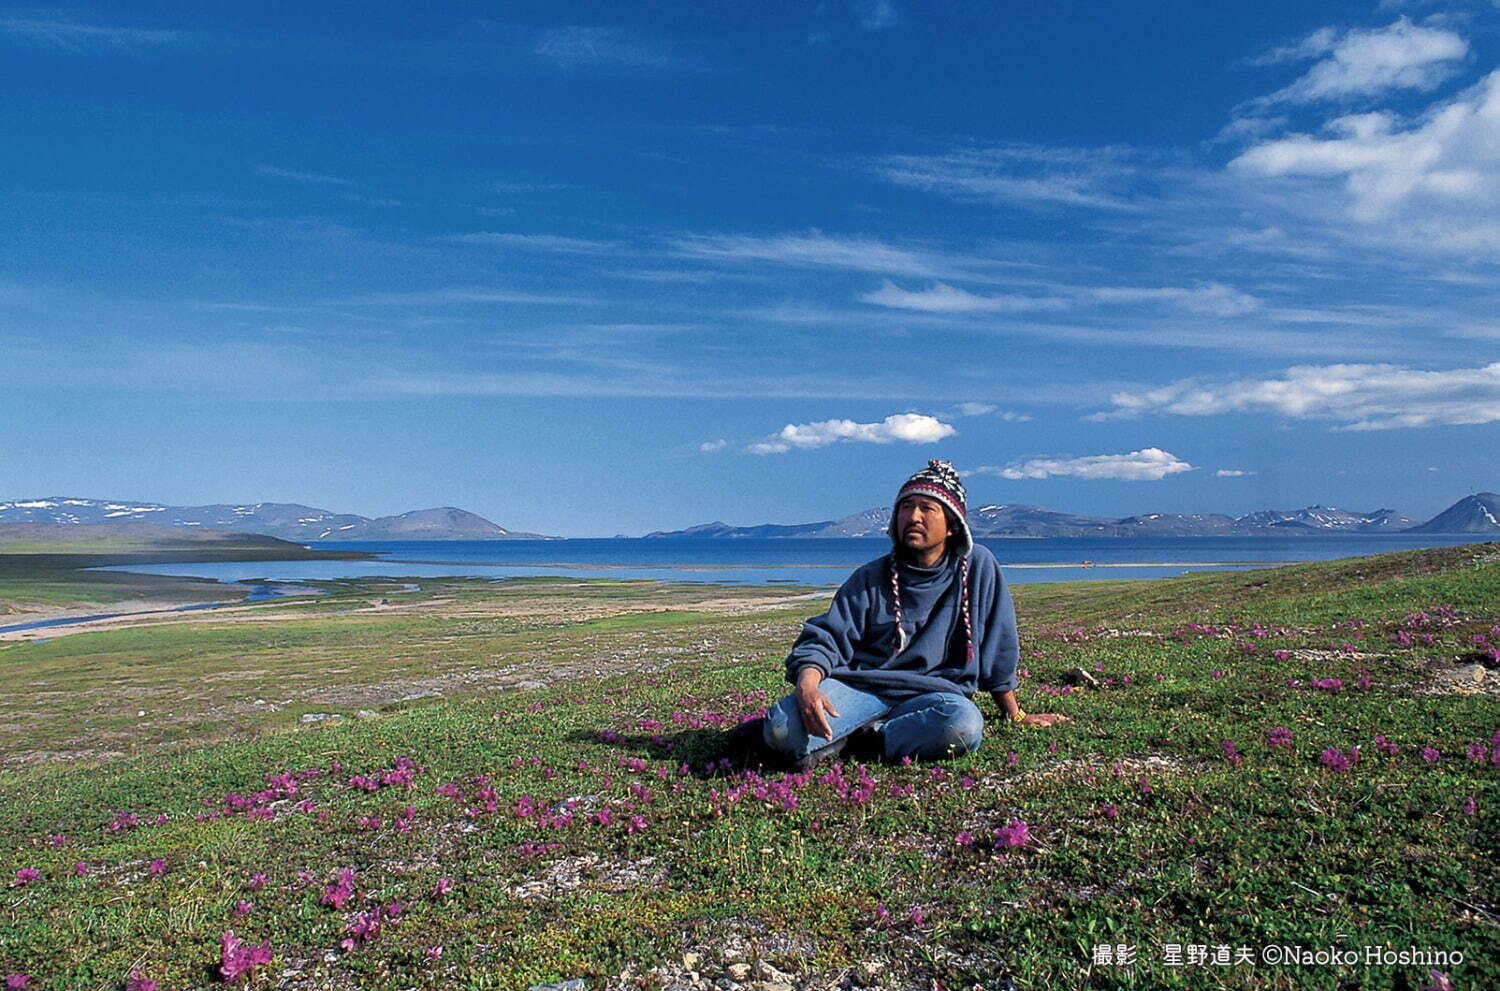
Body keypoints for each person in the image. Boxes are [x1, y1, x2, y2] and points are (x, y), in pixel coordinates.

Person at [746, 459, 1069, 770]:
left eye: (927, 508)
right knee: (780, 730)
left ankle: (862, 739)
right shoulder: (870, 577)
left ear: (953, 526)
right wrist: (807, 687)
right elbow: (827, 638)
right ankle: (860, 736)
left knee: (963, 726)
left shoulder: (978, 567)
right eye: (905, 506)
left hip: (937, 696)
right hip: (863, 688)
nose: (913, 516)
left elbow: (999, 646)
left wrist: (1016, 714)